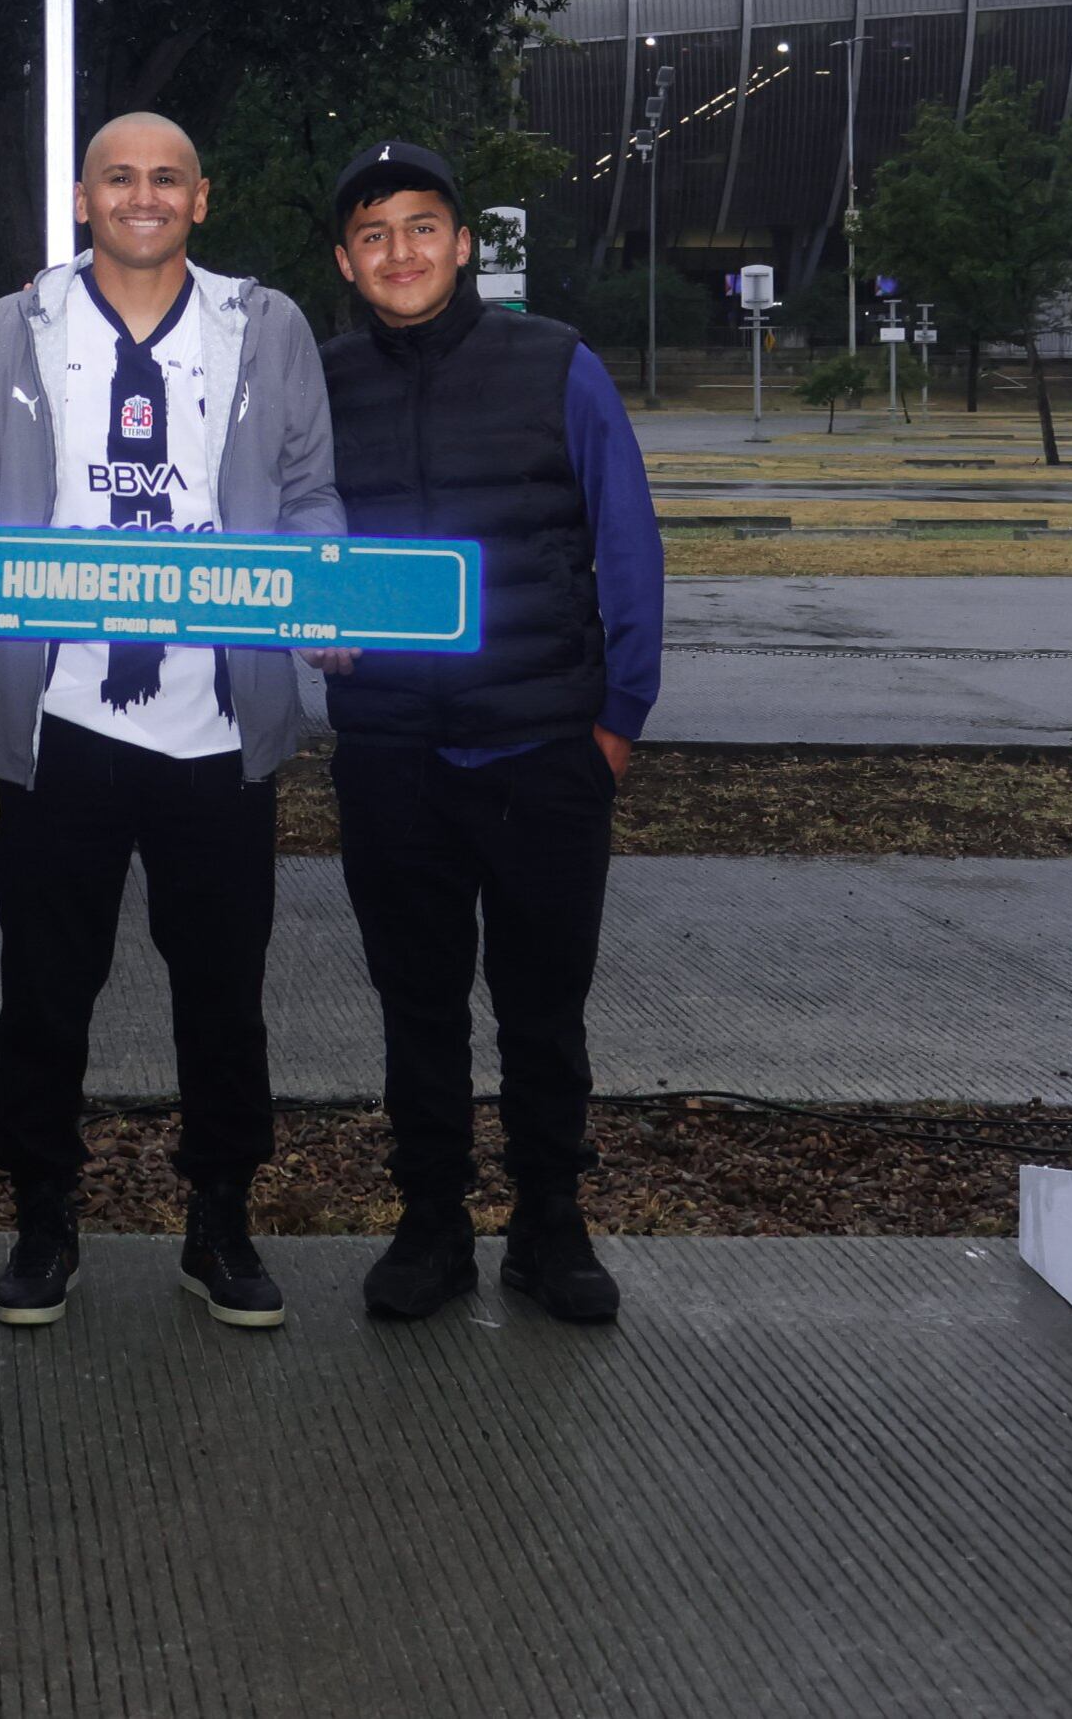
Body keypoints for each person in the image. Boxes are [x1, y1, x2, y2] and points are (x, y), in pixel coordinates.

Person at [0, 112, 340, 1330]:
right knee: (44, 987)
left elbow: (309, 488)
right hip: (60, 715)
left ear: (201, 197)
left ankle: (218, 1217)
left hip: (216, 722)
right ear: (82, 196)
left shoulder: (265, 325)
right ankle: (43, 1213)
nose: (142, 195)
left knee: (223, 990)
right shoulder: (15, 327)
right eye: (118, 176)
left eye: (166, 177)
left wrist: (320, 590)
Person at [315, 142, 662, 1324]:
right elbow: (280, 552)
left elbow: (627, 549)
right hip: (391, 755)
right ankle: (431, 1226)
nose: (400, 252)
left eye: (422, 227)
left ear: (463, 245)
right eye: (373, 235)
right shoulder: (319, 384)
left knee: (541, 1007)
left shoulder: (556, 362)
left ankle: (550, 1226)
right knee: (416, 1008)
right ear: (345, 261)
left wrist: (612, 723)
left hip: (541, 752)